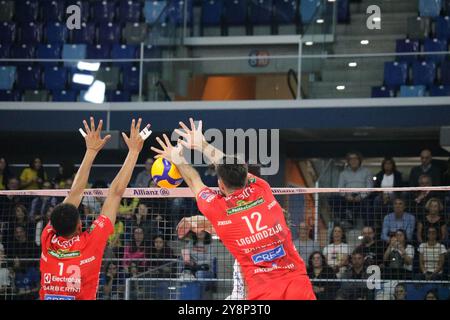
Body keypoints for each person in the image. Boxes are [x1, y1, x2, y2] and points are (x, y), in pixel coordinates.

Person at [152, 118, 315, 300]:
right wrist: (202, 144)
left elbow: (194, 181)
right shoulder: (262, 189)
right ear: (246, 176)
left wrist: (178, 158)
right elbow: (232, 167)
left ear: (220, 185)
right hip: (298, 285)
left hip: (265, 294)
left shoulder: (217, 210)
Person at [39, 117, 149, 300]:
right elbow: (113, 193)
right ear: (79, 225)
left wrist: (91, 151)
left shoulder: (47, 239)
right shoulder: (90, 243)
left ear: (53, 225)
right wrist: (134, 152)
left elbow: (75, 194)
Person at [331, 152, 373, 228]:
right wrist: (346, 195)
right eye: (351, 159)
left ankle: (368, 227)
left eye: (355, 159)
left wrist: (361, 196)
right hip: (348, 197)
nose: (353, 161)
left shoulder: (367, 172)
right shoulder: (343, 173)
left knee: (369, 203)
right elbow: (340, 188)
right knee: (333, 199)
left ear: (359, 160)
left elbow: (369, 187)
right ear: (348, 161)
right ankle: (345, 220)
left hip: (361, 197)